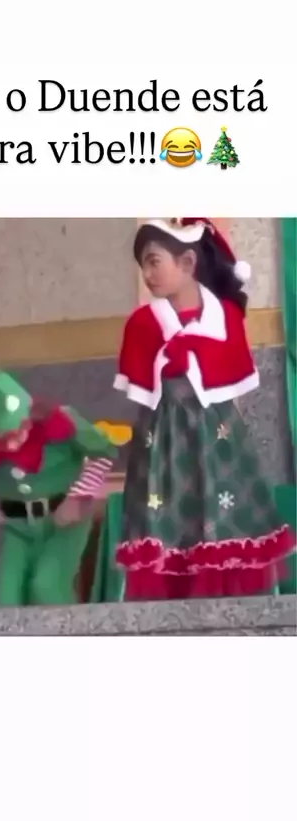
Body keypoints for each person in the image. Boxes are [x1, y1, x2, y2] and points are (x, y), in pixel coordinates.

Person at [113, 217, 295, 600]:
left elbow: (231, 385)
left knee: (219, 515)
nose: (148, 274)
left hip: (216, 438)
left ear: (187, 262)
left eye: (154, 261)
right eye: (143, 265)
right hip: (162, 441)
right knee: (165, 523)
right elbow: (143, 398)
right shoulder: (142, 324)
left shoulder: (224, 318)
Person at [0, 370, 117, 606]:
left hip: (63, 520)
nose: (11, 446)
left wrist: (79, 495)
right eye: (0, 441)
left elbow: (105, 452)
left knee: (47, 586)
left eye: (17, 432)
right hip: (15, 525)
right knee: (5, 594)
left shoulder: (61, 421)